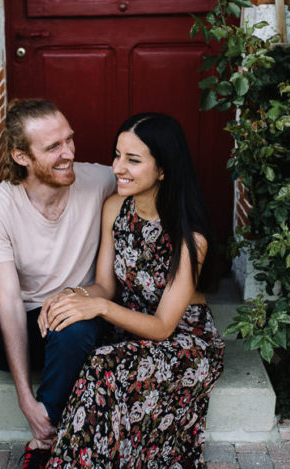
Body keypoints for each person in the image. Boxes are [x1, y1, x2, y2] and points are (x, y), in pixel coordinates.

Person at [39, 112, 225, 468]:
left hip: (185, 343)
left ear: (163, 169)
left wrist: (100, 309)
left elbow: (163, 327)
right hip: (131, 333)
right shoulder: (115, 208)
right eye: (117, 155)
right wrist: (72, 297)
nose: (118, 168)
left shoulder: (190, 238)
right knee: (99, 361)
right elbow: (105, 286)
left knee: (103, 364)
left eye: (133, 160)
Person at [0, 99, 116, 469]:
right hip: (19, 325)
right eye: (53, 147)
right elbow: (8, 302)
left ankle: (43, 440)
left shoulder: (99, 181)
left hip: (71, 330)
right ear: (21, 156)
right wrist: (24, 398)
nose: (68, 153)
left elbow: (149, 175)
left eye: (69, 140)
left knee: (75, 320)